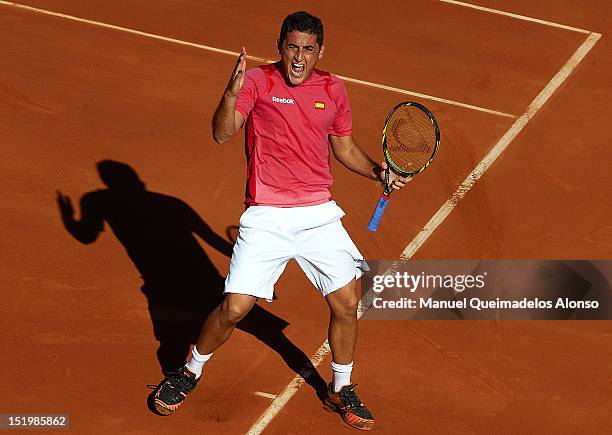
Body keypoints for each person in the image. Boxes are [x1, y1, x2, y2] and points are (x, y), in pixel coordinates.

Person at [153, 11, 409, 431]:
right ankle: (189, 371)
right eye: (292, 47)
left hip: (318, 214)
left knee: (346, 303)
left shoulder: (333, 89)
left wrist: (379, 170)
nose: (299, 58)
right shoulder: (256, 82)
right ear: (280, 46)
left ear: (320, 52)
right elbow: (222, 133)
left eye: (308, 49)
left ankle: (339, 388)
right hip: (267, 214)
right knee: (234, 308)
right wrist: (230, 94)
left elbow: (343, 148)